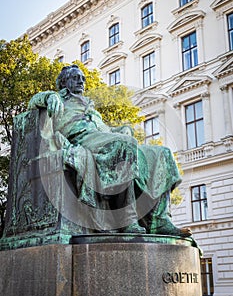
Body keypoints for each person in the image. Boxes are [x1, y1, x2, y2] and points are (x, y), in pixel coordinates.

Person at [28, 65, 191, 237]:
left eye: (82, 78)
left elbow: (105, 130)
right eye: (75, 77)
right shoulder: (59, 99)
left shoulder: (91, 107)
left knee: (162, 153)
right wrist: (48, 96)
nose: (81, 81)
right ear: (63, 82)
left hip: (104, 138)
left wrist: (122, 129)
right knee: (124, 145)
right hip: (82, 139)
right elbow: (32, 103)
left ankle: (160, 220)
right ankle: (127, 219)